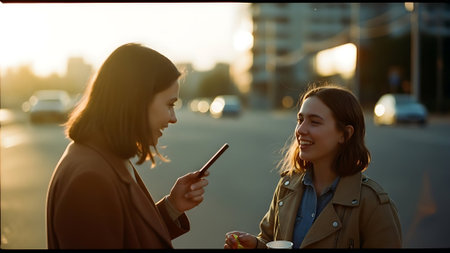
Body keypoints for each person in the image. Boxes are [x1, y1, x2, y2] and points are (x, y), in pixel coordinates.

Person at [46, 43, 209, 249]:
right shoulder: (90, 180)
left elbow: (129, 235)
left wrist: (171, 207)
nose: (173, 118)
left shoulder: (106, 157)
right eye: (169, 104)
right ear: (137, 101)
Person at [224, 83, 402, 249]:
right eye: (300, 120)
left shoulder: (373, 204)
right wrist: (256, 245)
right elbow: (270, 240)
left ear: (345, 134)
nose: (300, 130)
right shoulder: (288, 187)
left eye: (314, 122)